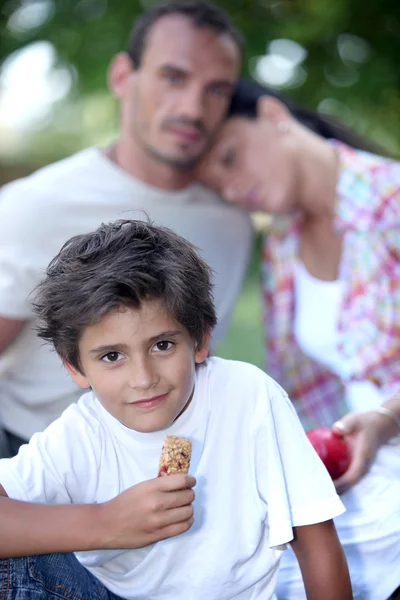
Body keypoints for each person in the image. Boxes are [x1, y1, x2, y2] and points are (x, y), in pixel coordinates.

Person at [0, 218, 352, 600]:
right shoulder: (79, 436)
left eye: (162, 346)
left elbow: (314, 535)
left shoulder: (247, 398)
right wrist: (106, 522)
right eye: (112, 356)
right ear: (75, 367)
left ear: (199, 339)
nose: (143, 378)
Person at [0, 1, 253, 457]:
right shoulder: (34, 206)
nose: (193, 108)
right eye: (173, 77)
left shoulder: (232, 222)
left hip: (165, 460)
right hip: (32, 461)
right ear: (122, 76)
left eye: (216, 90)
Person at [198, 78, 400, 600]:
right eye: (218, 187)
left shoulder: (392, 202)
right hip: (356, 466)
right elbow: (303, 392)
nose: (233, 189)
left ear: (273, 114)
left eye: (230, 159)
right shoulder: (282, 245)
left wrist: (386, 421)